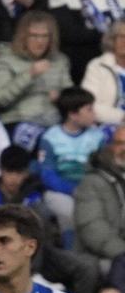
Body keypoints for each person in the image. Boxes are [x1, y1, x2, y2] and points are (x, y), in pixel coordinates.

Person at [0, 9, 72, 146]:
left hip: (53, 122)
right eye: (34, 36)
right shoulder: (7, 60)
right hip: (18, 121)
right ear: (23, 37)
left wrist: (61, 97)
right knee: (48, 143)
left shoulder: (60, 60)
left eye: (45, 36)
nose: (40, 41)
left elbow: (71, 96)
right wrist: (29, 75)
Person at [38, 86, 107, 233]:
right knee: (70, 213)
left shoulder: (98, 136)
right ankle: (71, 246)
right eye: (89, 109)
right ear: (73, 114)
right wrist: (73, 189)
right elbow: (47, 175)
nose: (94, 114)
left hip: (91, 190)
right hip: (60, 192)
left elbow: (103, 170)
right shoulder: (50, 137)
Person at [72, 129, 125, 267]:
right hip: (103, 258)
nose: (124, 149)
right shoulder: (92, 182)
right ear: (110, 146)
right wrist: (123, 253)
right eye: (119, 143)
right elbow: (92, 229)